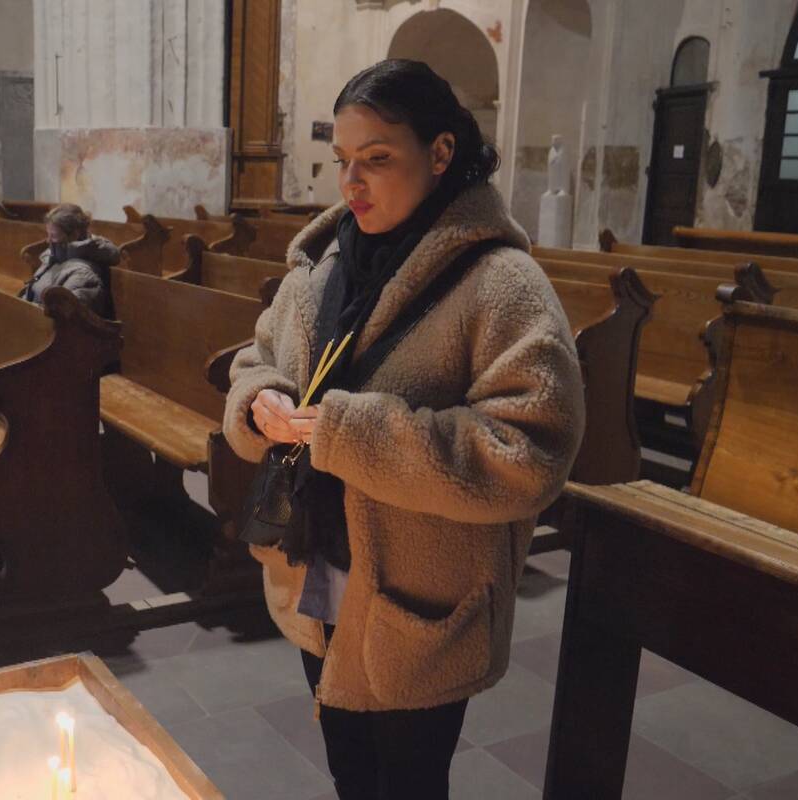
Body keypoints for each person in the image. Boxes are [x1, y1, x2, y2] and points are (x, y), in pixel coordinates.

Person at [222, 59, 584, 799]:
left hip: (420, 596)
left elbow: (531, 450)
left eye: (378, 159)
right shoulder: (325, 264)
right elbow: (257, 356)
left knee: (410, 783)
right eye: (342, 161)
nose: (351, 183)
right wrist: (261, 399)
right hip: (319, 564)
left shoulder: (501, 282)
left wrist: (353, 435)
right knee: (349, 769)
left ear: (441, 152)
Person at [19, 203, 119, 317]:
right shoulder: (55, 256)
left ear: (74, 235)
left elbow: (66, 317)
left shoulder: (83, 273)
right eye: (48, 235)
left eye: (53, 235)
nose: (48, 240)